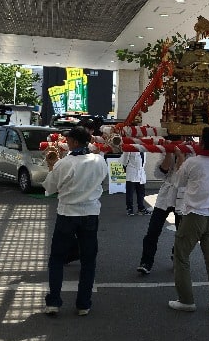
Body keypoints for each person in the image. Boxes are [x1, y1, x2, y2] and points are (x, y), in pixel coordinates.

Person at [42, 126, 108, 316]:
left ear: (75, 142)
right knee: (88, 260)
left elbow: (50, 187)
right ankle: (83, 304)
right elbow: (103, 179)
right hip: (90, 213)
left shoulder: (65, 163)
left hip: (68, 214)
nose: (66, 142)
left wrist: (50, 166)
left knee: (56, 258)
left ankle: (54, 302)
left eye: (69, 139)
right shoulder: (98, 160)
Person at [168, 126, 209, 315]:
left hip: (194, 215)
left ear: (201, 142)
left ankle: (186, 300)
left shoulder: (192, 162)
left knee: (181, 257)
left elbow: (178, 182)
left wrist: (179, 158)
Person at [137, 150, 186, 274]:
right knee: (152, 231)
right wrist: (169, 153)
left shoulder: (192, 152)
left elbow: (182, 174)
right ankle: (146, 262)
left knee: (181, 233)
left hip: (183, 196)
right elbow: (161, 172)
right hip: (165, 196)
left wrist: (180, 155)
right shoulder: (166, 152)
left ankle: (177, 258)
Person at [121, 150, 151, 216]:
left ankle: (141, 208)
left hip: (141, 173)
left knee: (141, 192)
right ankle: (129, 209)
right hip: (131, 172)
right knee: (130, 193)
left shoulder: (143, 148)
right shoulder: (130, 147)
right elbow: (125, 159)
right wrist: (125, 167)